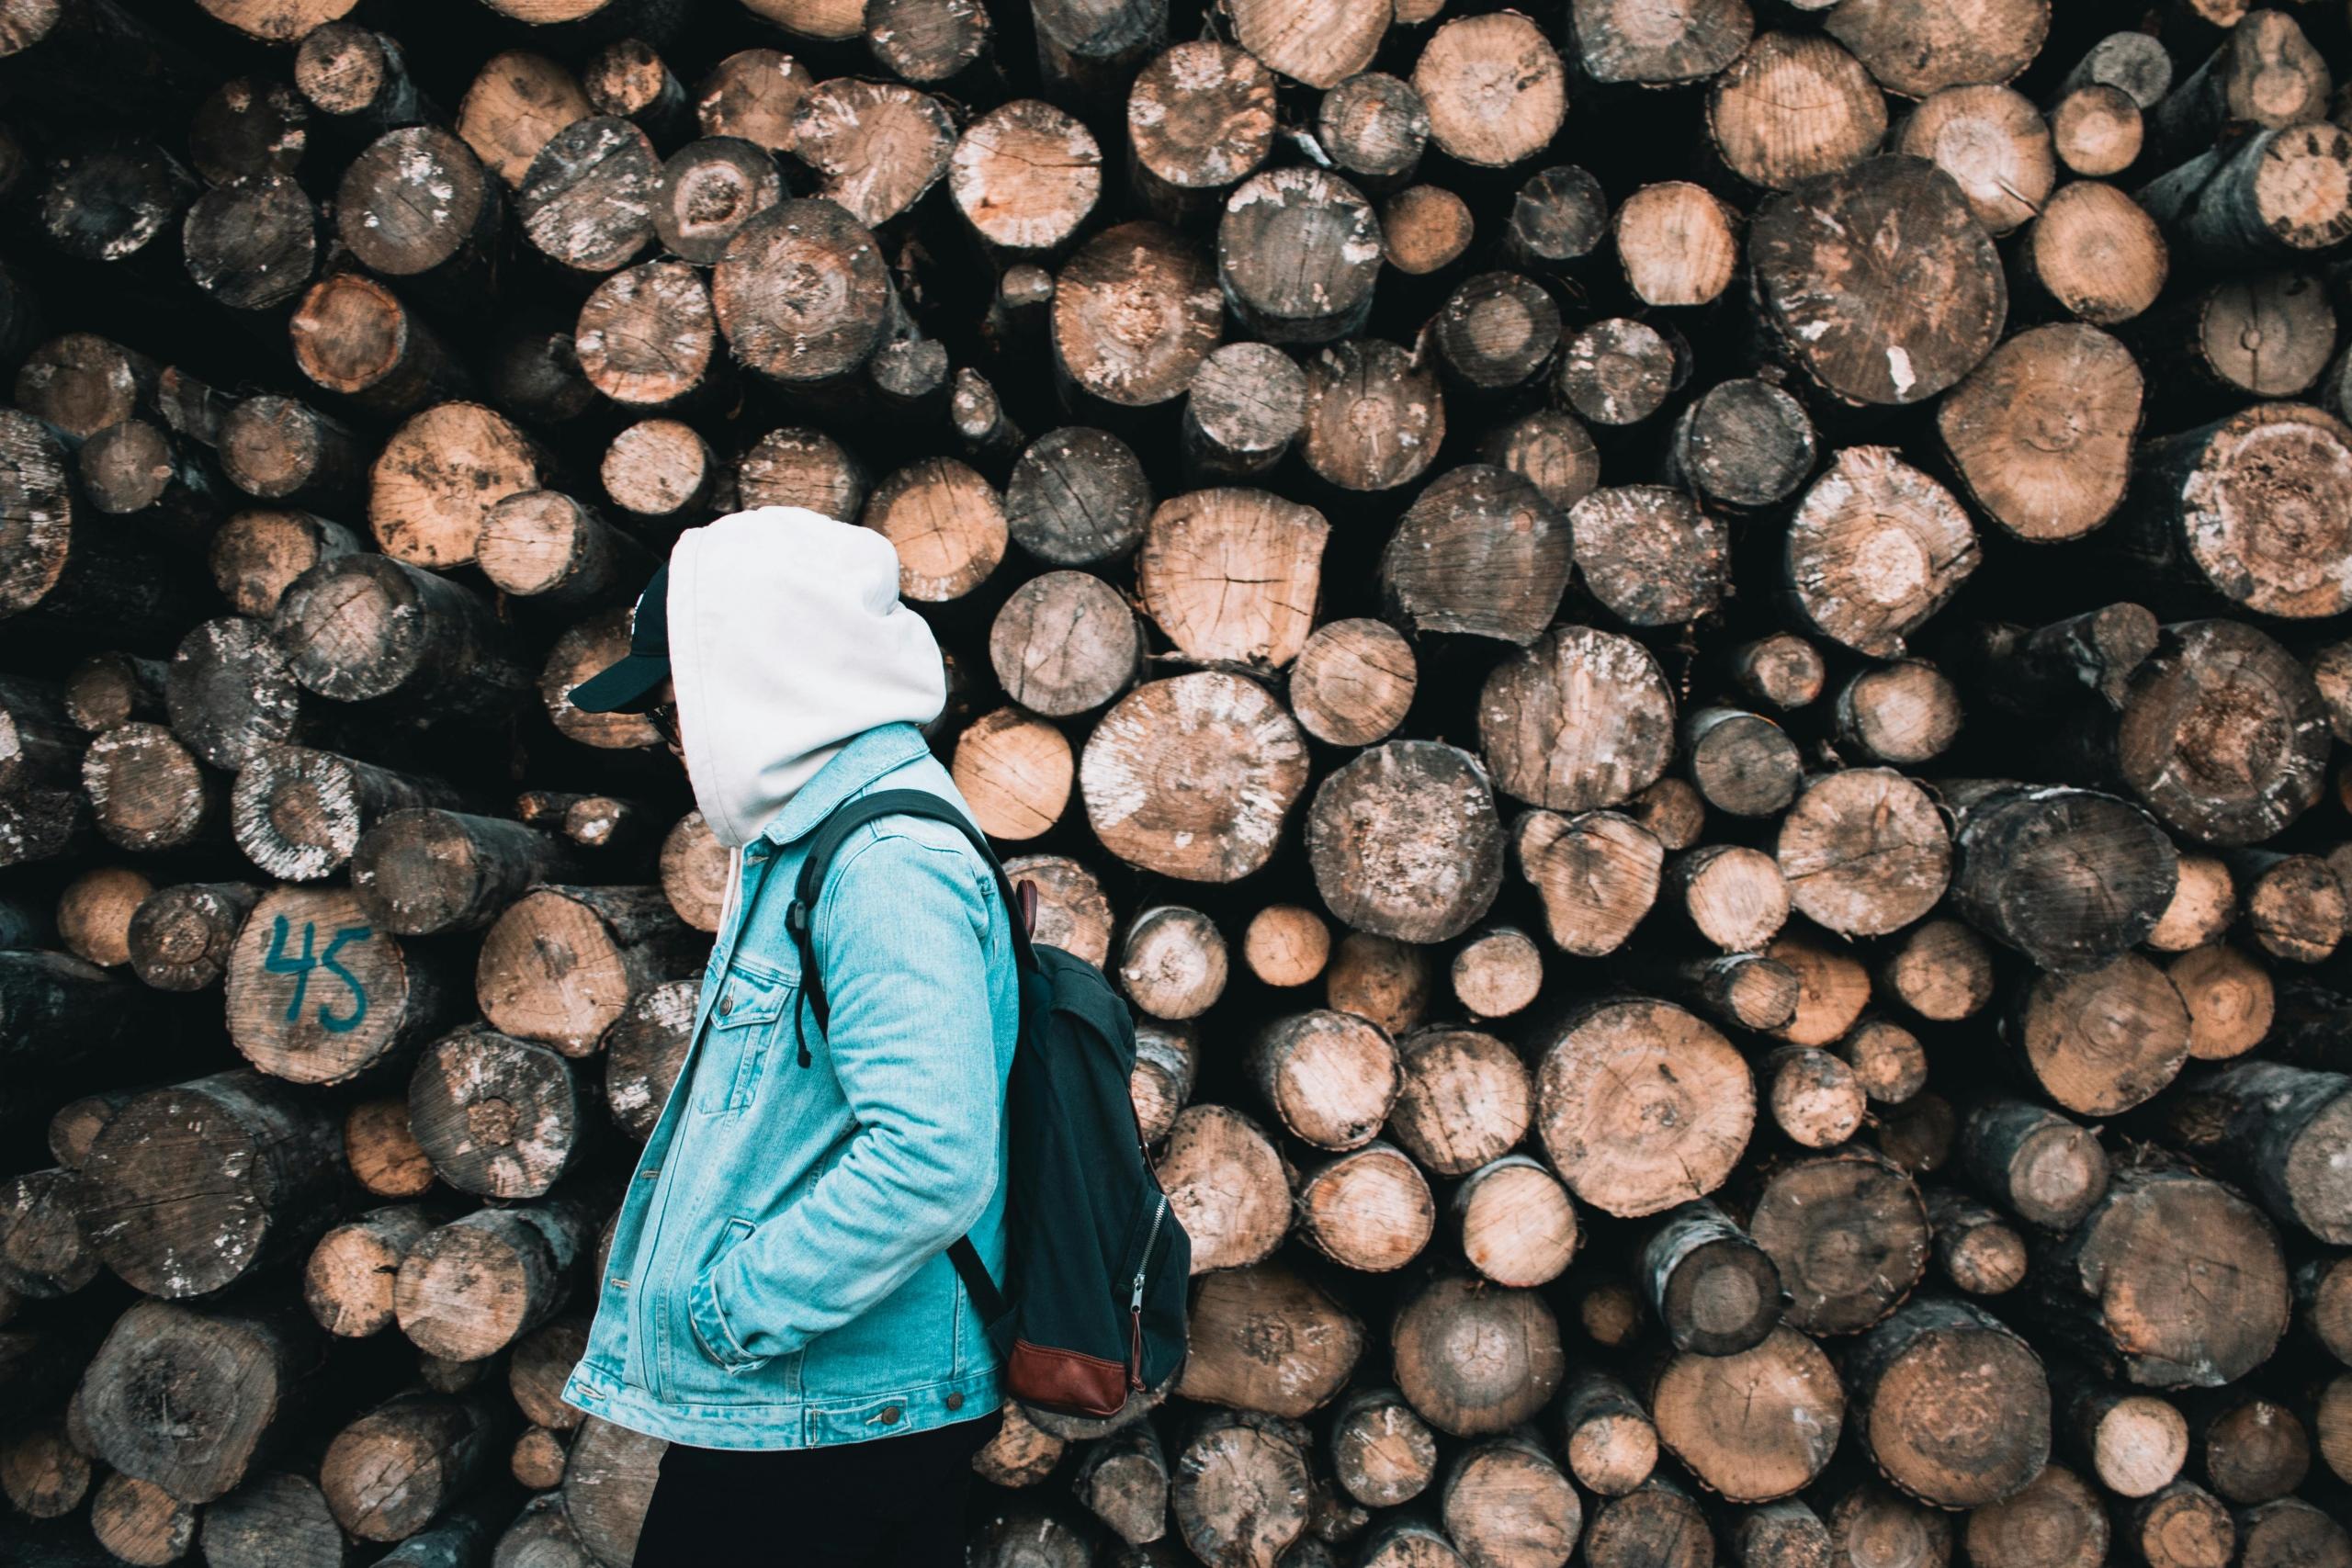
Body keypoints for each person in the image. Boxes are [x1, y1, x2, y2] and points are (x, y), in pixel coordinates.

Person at [557, 505, 1020, 1566]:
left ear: (757, 678)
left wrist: (734, 1312)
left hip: (832, 1403)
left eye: (678, 709)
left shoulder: (883, 864)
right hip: (827, 1396)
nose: (674, 742)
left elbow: (934, 1158)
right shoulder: (819, 841)